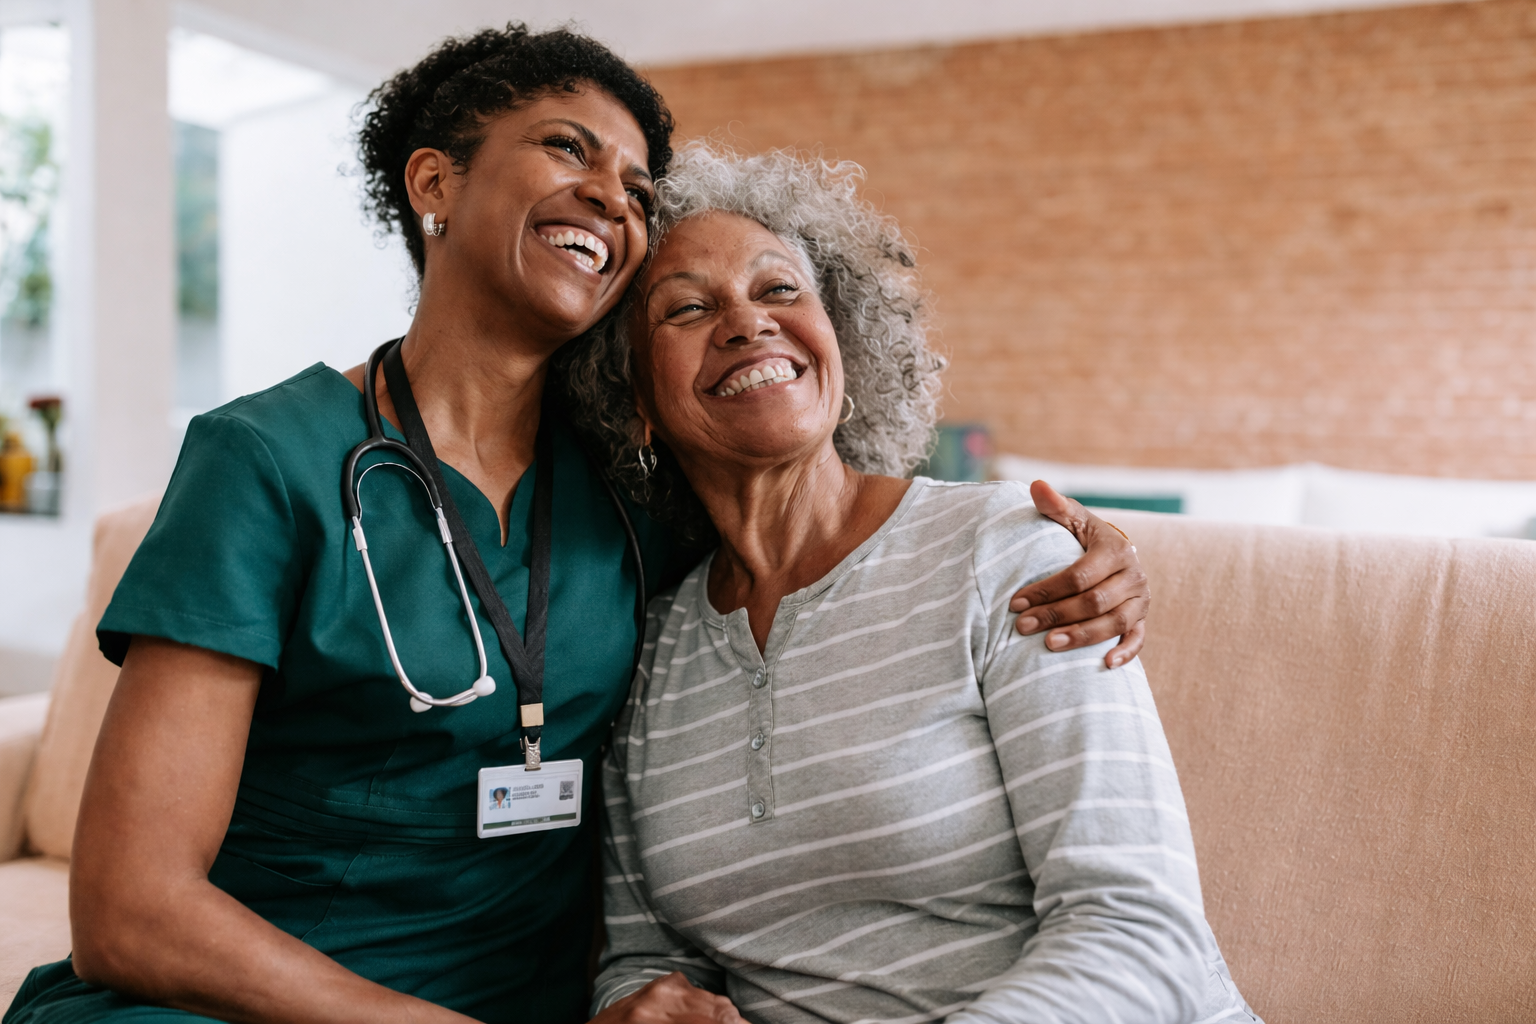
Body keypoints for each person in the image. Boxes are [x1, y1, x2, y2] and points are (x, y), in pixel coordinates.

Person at [4, 26, 1147, 1024]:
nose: (613, 195)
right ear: (434, 184)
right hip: (262, 999)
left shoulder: (637, 490)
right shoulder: (266, 461)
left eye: (639, 187)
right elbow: (130, 911)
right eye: (568, 147)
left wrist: (1097, 556)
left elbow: (826, 536)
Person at [580, 144, 1260, 1024]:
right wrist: (635, 1004)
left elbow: (1138, 931)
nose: (748, 323)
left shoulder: (1002, 550)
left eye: (780, 289)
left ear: (843, 345)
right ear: (631, 395)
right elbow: (646, 952)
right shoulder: (654, 647)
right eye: (688, 308)